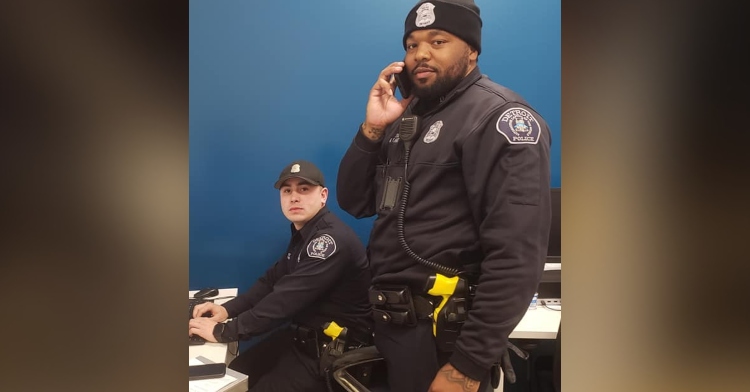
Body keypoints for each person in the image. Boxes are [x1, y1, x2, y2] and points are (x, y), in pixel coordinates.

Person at [336, 1, 552, 391]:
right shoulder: (408, 117)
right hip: (395, 328)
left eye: (438, 41)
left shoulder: (499, 119)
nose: (421, 53)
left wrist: (465, 369)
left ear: (471, 49)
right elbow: (355, 201)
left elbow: (516, 257)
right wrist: (373, 128)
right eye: (412, 44)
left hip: (445, 341)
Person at [189, 160, 373, 391]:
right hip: (303, 338)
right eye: (287, 191)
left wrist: (223, 331)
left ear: (323, 195)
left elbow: (283, 302)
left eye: (304, 189)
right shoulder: (305, 235)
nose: (294, 197)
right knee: (235, 373)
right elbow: (270, 282)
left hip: (331, 350)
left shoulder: (329, 242)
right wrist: (227, 310)